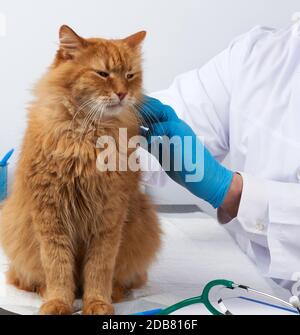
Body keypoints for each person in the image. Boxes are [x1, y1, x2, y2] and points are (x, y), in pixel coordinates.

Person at [139, 15, 300, 288]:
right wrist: (103, 145)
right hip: (251, 290)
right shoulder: (258, 54)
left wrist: (234, 192)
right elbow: (172, 116)